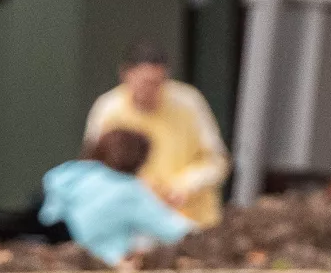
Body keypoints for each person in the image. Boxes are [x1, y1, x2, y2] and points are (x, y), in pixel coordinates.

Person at [84, 41, 229, 228]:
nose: (151, 90)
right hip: (131, 225)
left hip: (191, 222)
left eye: (158, 82)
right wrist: (137, 188)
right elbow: (94, 167)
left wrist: (186, 185)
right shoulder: (108, 109)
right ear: (126, 74)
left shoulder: (189, 103)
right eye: (145, 82)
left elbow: (217, 159)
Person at [39, 127, 194, 266]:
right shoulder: (127, 190)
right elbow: (177, 231)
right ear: (138, 160)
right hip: (96, 261)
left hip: (48, 248)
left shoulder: (69, 175)